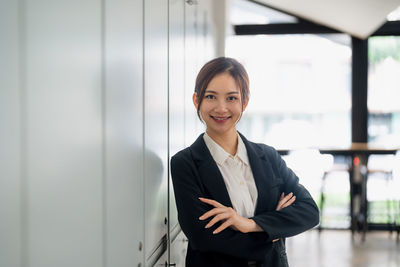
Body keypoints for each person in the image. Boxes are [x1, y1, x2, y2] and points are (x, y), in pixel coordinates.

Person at [170, 57, 319, 267]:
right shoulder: (184, 164)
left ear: (244, 102)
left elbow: (309, 211)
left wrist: (250, 224)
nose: (221, 108)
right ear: (197, 100)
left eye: (231, 98)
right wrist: (273, 233)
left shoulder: (269, 157)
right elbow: (204, 238)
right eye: (211, 96)